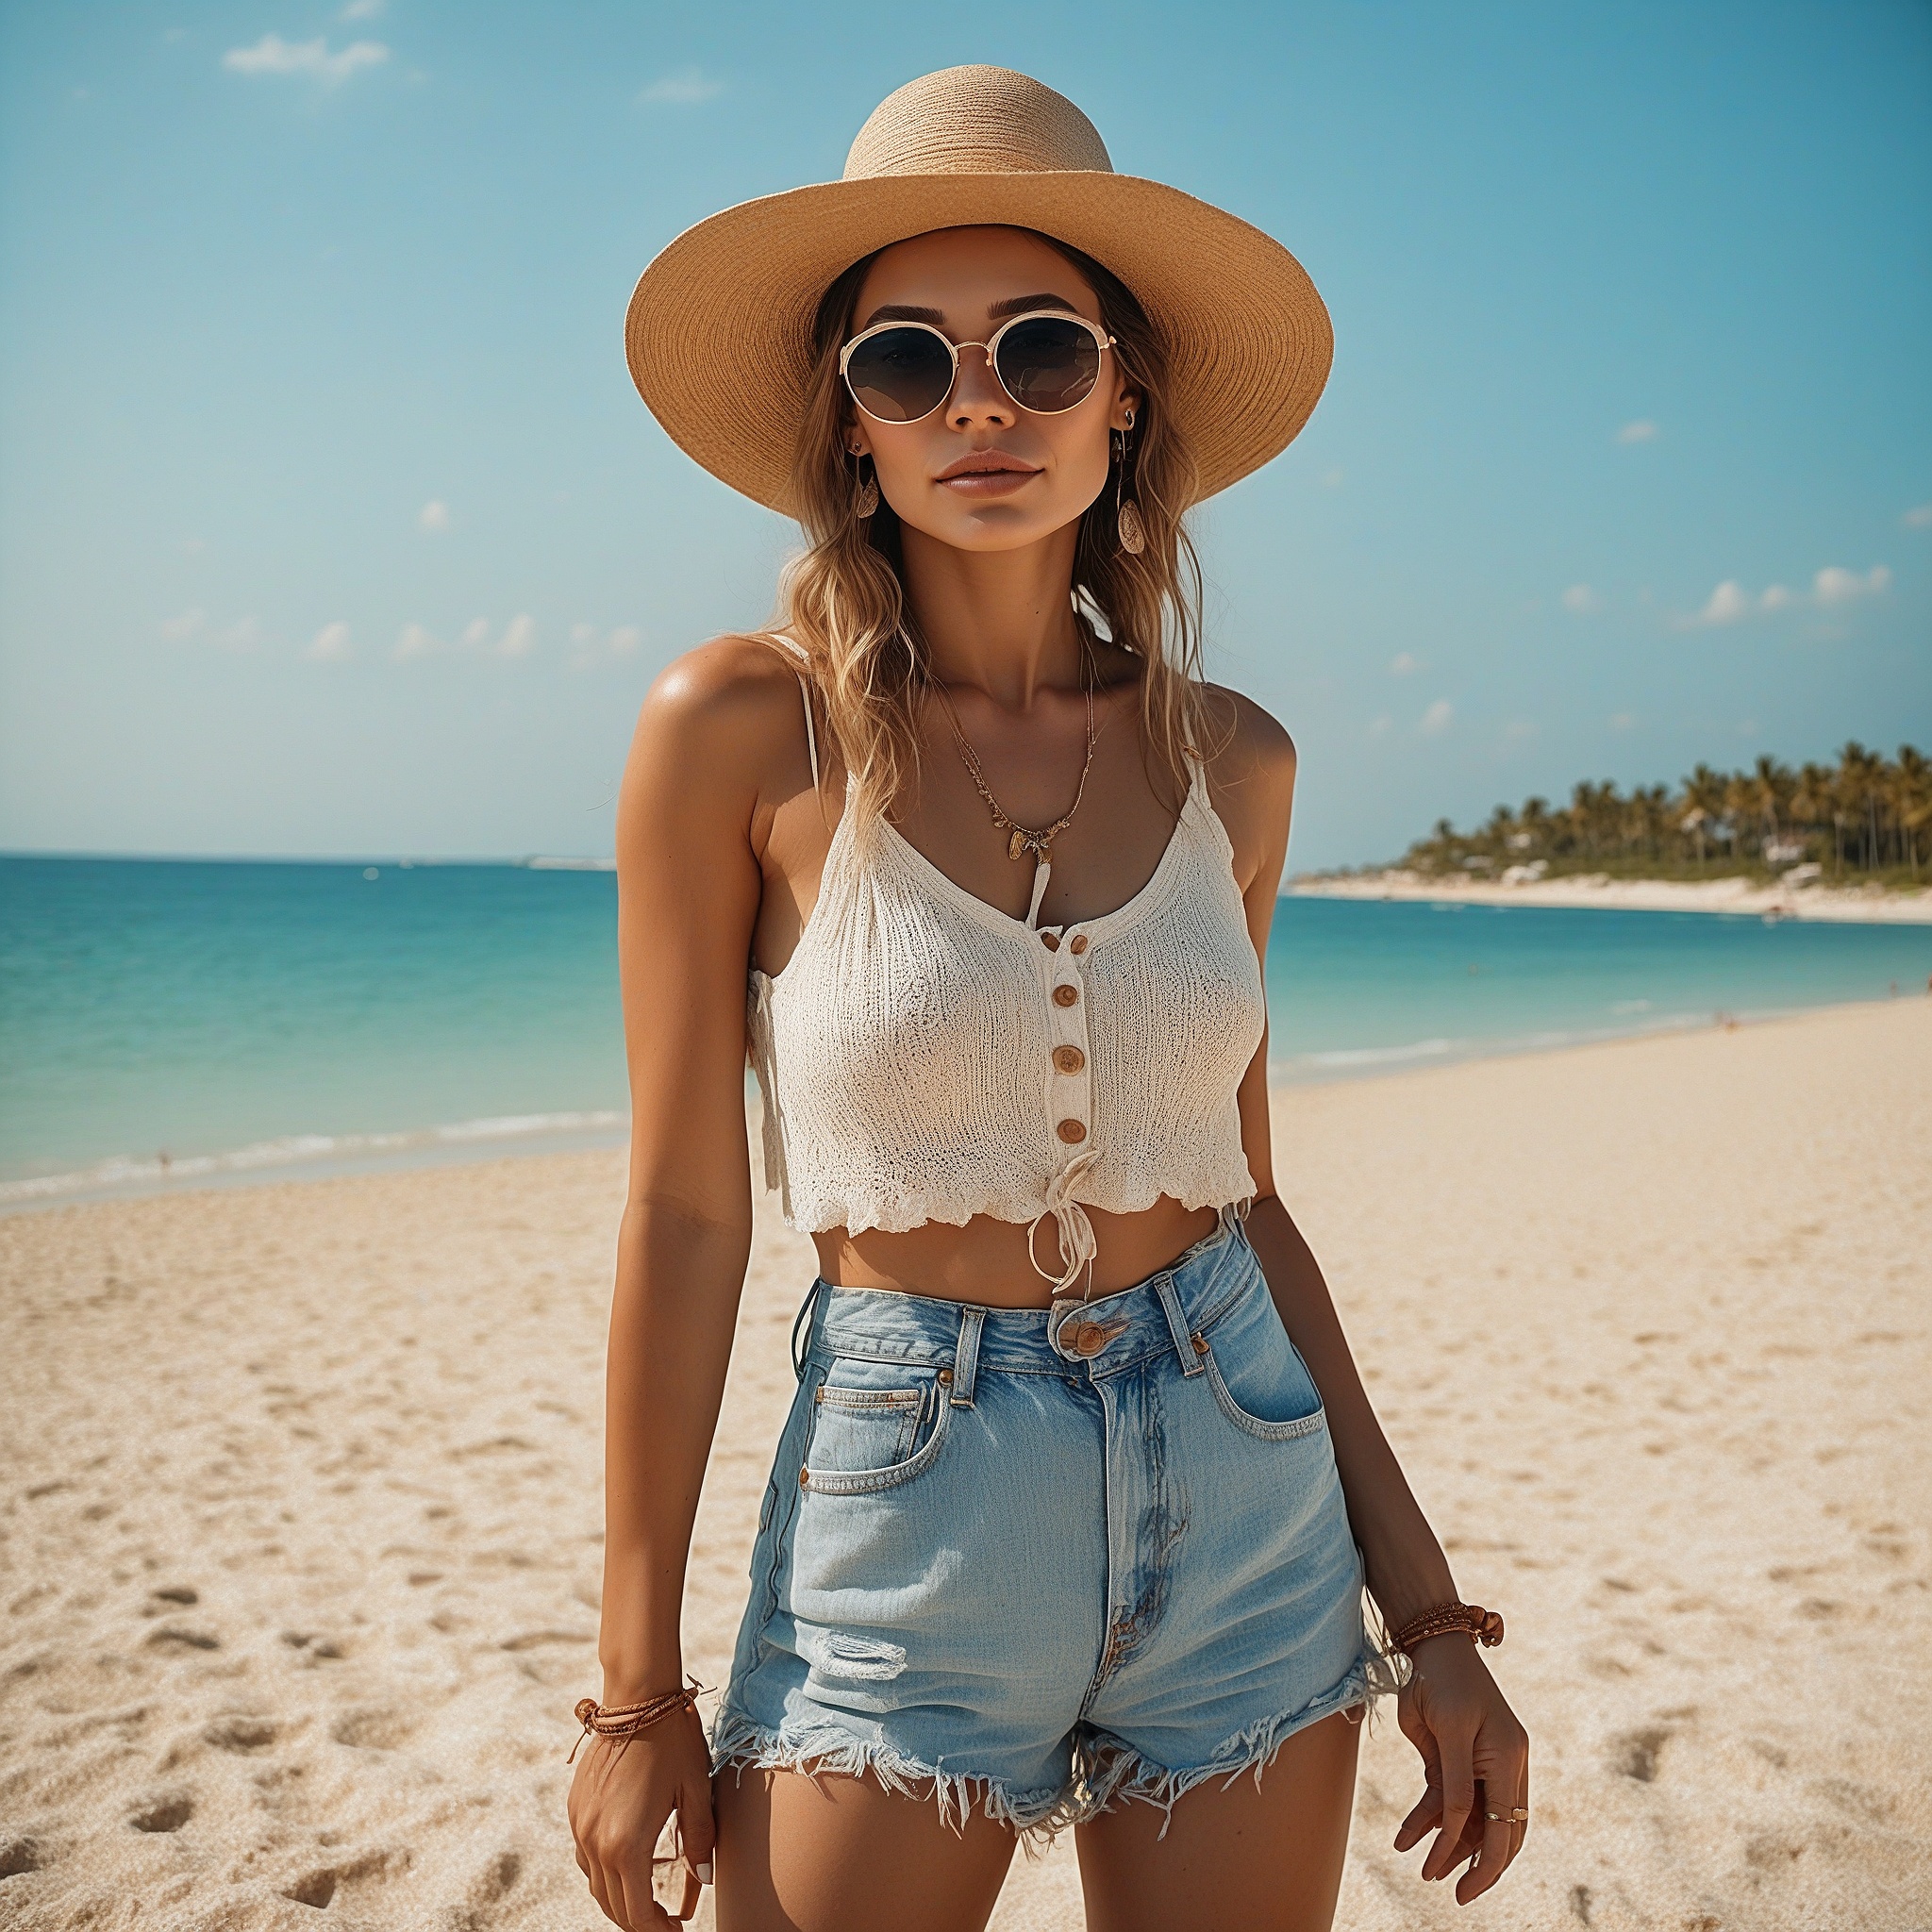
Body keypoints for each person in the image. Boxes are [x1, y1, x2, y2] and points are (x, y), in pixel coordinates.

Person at [568, 66, 1528, 1932]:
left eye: (1037, 347)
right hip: (904, 1493)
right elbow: (686, 1209)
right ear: (850, 426)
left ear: (1124, 394)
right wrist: (632, 1687)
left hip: (1246, 1484)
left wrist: (1429, 1617)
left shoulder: (1232, 763)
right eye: (907, 362)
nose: (978, 401)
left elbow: (1250, 1199)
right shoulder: (737, 732)